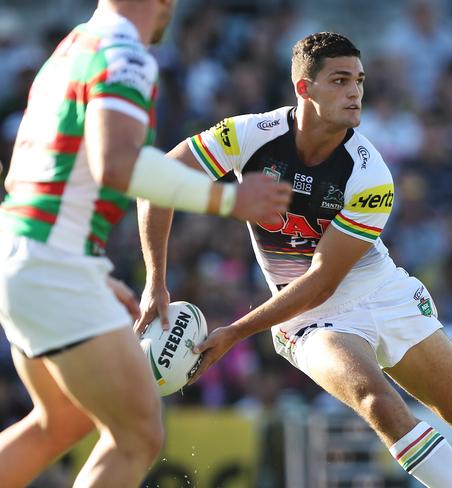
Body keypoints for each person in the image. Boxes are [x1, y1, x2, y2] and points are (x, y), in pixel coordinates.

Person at [138, 32, 452, 488]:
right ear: (304, 88)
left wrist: (237, 332)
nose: (355, 92)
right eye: (340, 80)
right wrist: (155, 282)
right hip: (309, 317)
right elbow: (157, 180)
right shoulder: (248, 135)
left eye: (359, 81)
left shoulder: (369, 173)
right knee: (377, 402)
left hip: (379, 292)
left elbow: (324, 278)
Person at [0, 1, 291, 487]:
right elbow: (118, 162)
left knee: (62, 422)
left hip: (28, 255)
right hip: (51, 265)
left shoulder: (73, 46)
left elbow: (56, 175)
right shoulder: (123, 53)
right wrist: (227, 197)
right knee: (138, 436)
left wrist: (89, 269)